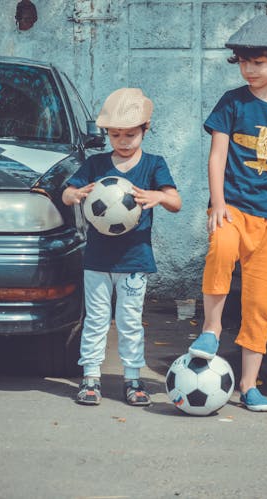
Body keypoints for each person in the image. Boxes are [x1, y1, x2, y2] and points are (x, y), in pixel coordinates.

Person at [187, 12, 267, 412]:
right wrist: (218, 203)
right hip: (233, 209)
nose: (249, 70)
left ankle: (248, 385)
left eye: (258, 62)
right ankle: (211, 328)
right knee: (220, 252)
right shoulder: (232, 103)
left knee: (259, 302)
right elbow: (217, 156)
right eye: (243, 62)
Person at [63, 88, 182, 406]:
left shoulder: (155, 165)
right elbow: (67, 193)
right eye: (115, 135)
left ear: (145, 129)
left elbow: (175, 201)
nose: (123, 141)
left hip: (134, 259)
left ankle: (133, 378)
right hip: (97, 259)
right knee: (96, 318)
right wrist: (73, 195)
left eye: (130, 134)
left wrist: (157, 196)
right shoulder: (97, 165)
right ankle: (90, 377)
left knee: (130, 320)